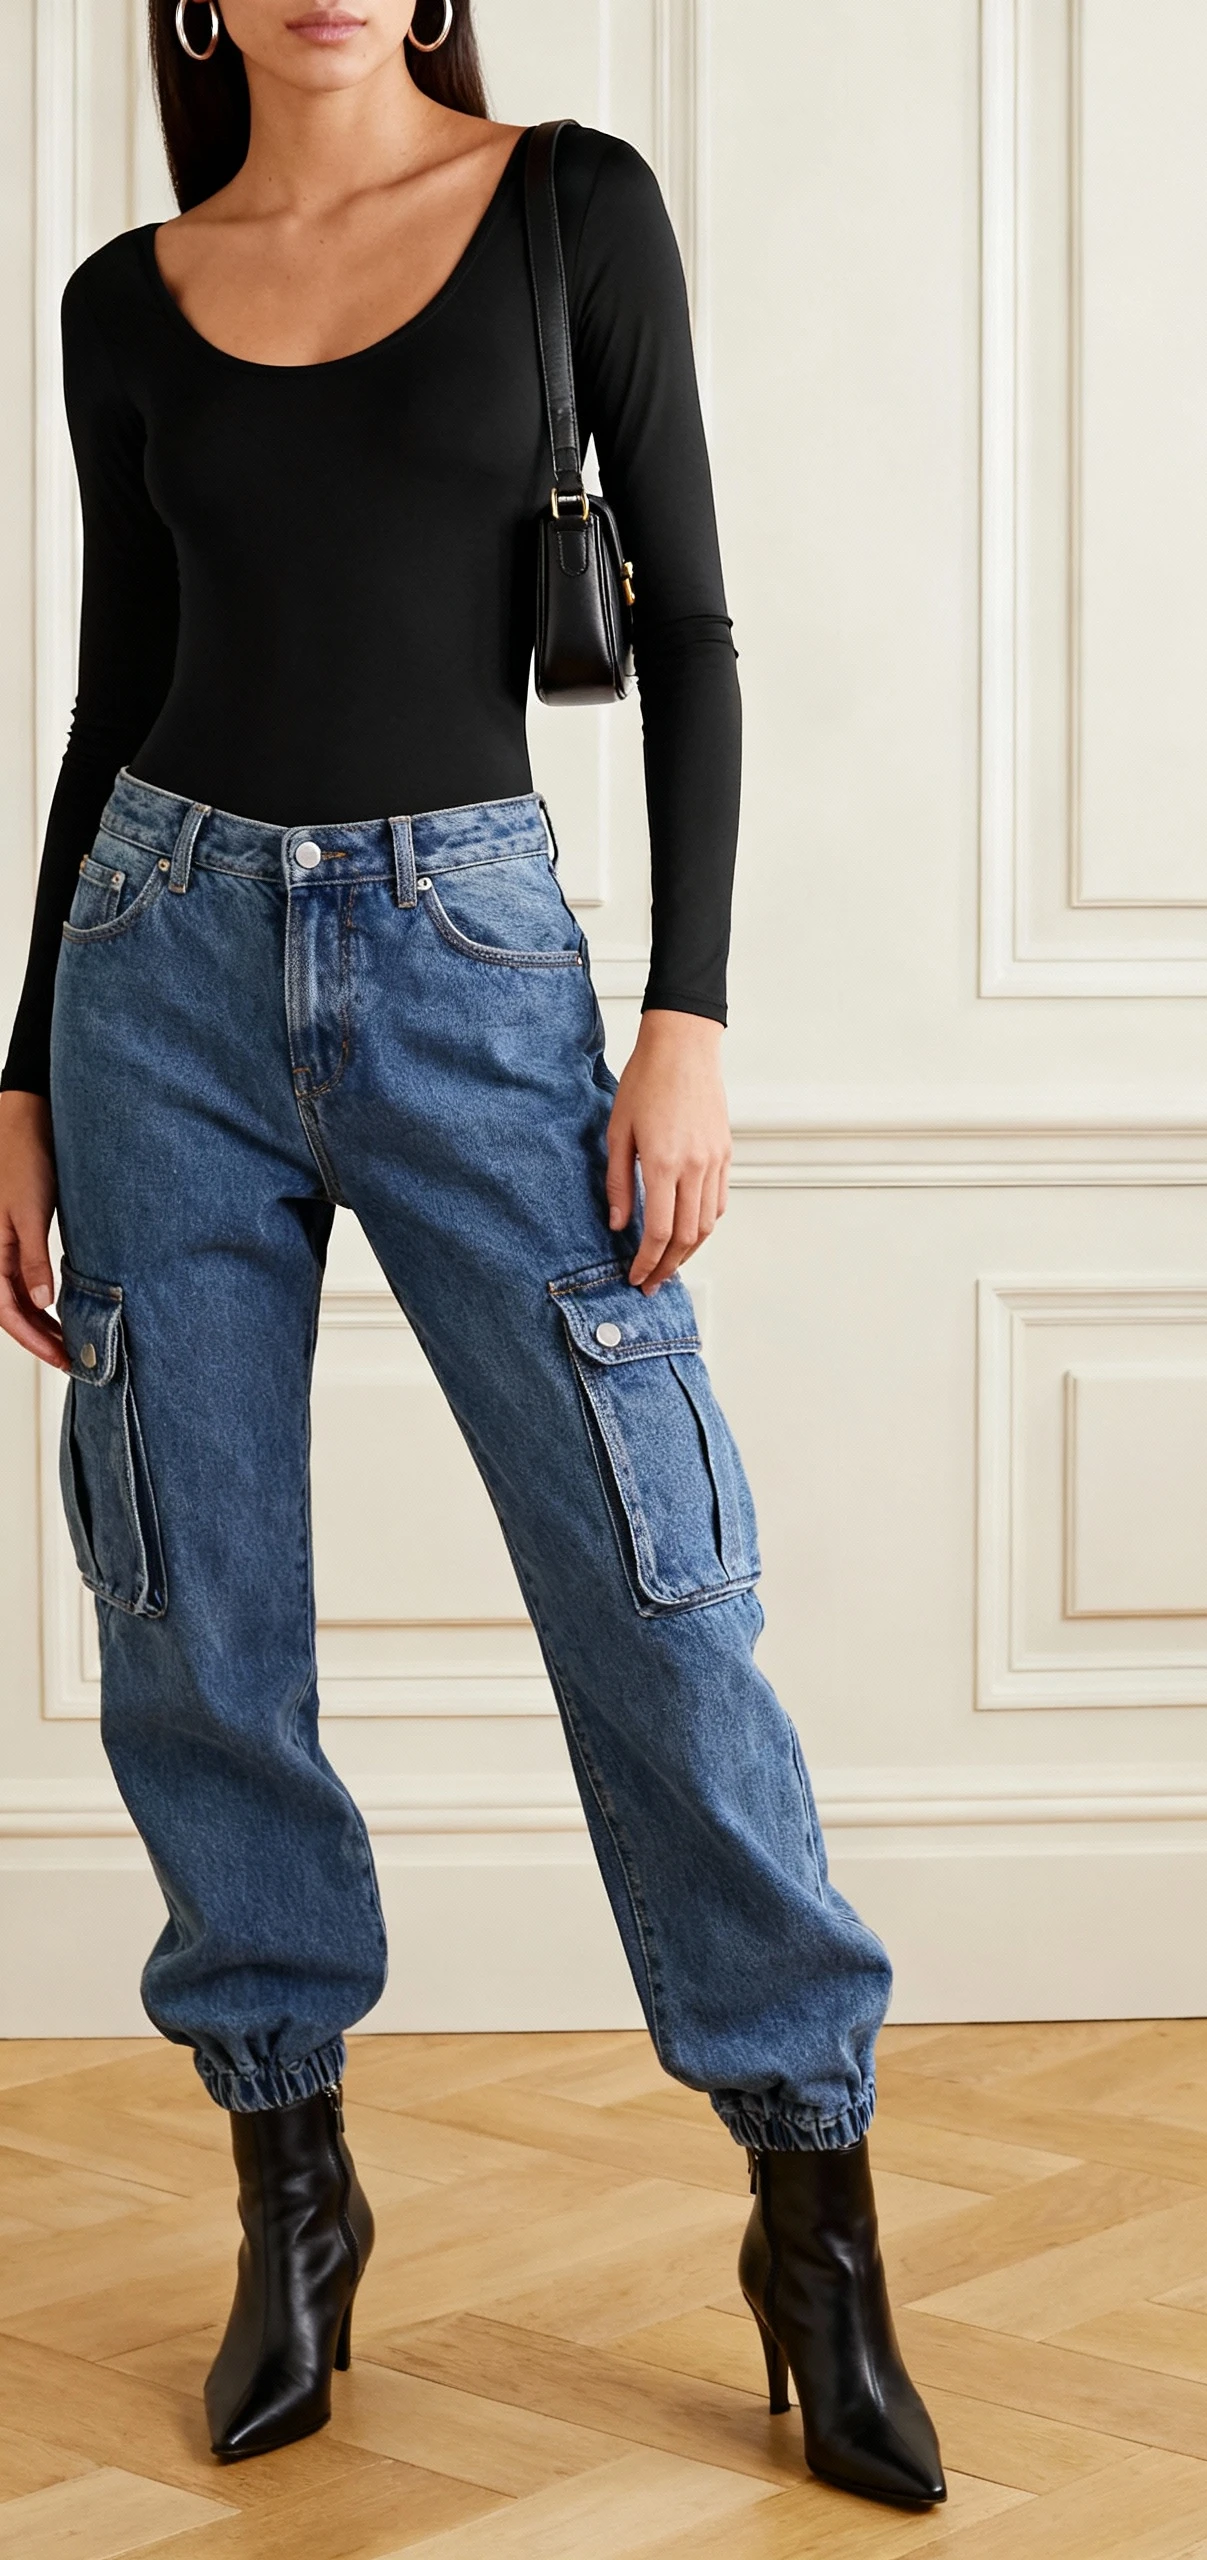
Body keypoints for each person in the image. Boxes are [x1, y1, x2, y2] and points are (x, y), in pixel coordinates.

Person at [0, 0, 945, 2505]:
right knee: (193, 1609)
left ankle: (812, 2214)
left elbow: (703, 633)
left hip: (477, 961)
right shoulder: (124, 295)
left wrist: (692, 1020)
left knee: (654, 1590)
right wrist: (17, 1069)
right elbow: (110, 692)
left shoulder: (567, 208)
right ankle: (291, 2192)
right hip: (153, 976)